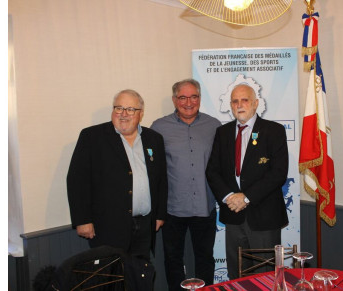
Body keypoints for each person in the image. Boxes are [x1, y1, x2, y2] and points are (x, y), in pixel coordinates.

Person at [67, 89, 168, 259]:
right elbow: (77, 181)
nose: (123, 114)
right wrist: (82, 220)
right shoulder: (92, 137)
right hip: (107, 227)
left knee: (140, 276)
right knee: (112, 279)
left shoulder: (154, 139)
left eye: (130, 109)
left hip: (145, 225)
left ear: (141, 114)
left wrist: (159, 215)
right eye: (119, 108)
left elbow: (161, 180)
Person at [206, 83, 289, 279]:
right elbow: (212, 171)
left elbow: (278, 173)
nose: (239, 105)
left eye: (244, 100)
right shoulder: (222, 132)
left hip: (264, 217)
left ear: (255, 103)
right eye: (235, 101)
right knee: (237, 273)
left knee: (265, 275)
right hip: (233, 215)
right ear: (230, 105)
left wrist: (246, 197)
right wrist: (228, 197)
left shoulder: (273, 130)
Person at [151, 79, 221, 290]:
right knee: (173, 260)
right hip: (172, 208)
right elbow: (153, 170)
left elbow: (221, 165)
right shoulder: (158, 127)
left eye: (193, 96)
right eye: (182, 97)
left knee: (205, 259)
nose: (188, 102)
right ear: (174, 100)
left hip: (204, 206)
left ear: (199, 99)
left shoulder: (214, 126)